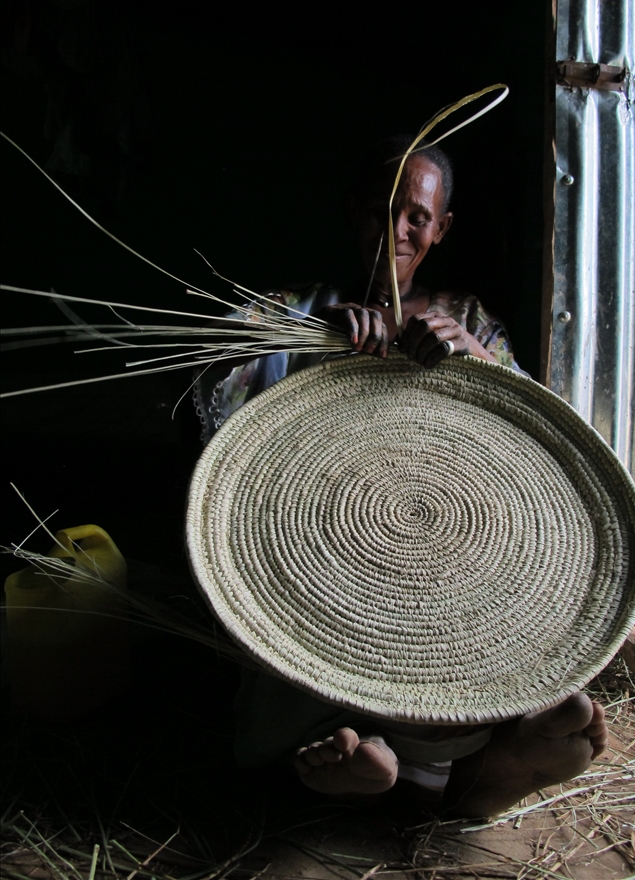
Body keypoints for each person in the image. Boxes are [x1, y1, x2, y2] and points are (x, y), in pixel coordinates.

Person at [194, 137, 608, 817]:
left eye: (418, 216)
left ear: (441, 228)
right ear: (355, 209)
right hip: (328, 555)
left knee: (494, 623)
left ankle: (467, 766)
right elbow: (200, 388)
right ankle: (426, 770)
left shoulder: (467, 320)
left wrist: (473, 358)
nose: (399, 230)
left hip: (448, 557)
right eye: (383, 210)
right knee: (300, 627)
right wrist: (312, 335)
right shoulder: (299, 309)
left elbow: (540, 439)